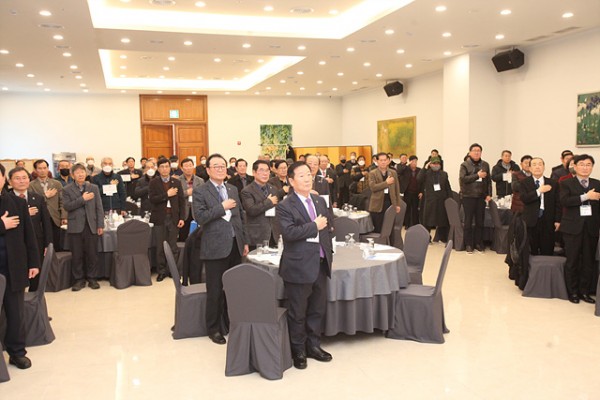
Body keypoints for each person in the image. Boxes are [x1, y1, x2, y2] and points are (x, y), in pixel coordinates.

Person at [276, 161, 334, 369]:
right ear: (291, 181)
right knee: (298, 312)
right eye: (301, 175)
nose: (307, 178)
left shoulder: (318, 201)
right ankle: (298, 350)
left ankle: (314, 345)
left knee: (317, 309)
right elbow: (289, 233)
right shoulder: (285, 205)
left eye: (309, 174)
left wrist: (328, 252)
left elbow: (328, 227)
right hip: (298, 266)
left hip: (320, 263)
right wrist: (313, 226)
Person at [193, 153, 248, 345]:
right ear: (208, 170)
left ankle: (230, 322)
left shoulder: (232, 188)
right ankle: (214, 328)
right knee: (215, 290)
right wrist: (222, 207)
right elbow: (200, 217)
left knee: (233, 288)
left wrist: (244, 241)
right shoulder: (200, 191)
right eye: (216, 166)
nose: (220, 169)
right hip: (215, 247)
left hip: (235, 244)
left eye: (223, 166)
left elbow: (240, 216)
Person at [0, 163, 40, 370]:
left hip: (13, 266)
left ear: (3, 179)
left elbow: (28, 235)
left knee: (15, 312)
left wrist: (33, 262)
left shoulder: (17, 202)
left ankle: (17, 352)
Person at [559, 154, 600, 304]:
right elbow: (564, 201)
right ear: (575, 167)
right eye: (581, 164)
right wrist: (586, 197)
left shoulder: (597, 183)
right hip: (572, 228)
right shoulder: (566, 183)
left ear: (592, 167)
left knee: (588, 262)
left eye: (588, 164)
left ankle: (585, 292)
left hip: (591, 228)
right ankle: (573, 292)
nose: (585, 167)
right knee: (572, 261)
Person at [8, 167, 52, 291]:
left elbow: (46, 222)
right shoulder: (6, 199)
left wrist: (48, 243)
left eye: (24, 178)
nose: (22, 181)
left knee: (35, 274)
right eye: (17, 178)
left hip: (36, 242)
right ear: (10, 181)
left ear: (29, 179)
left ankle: (34, 298)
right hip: (15, 244)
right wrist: (24, 213)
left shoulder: (37, 198)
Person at [62, 163, 104, 291]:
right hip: (75, 226)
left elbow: (99, 207)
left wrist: (100, 224)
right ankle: (79, 280)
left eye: (82, 172)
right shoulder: (67, 189)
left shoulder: (93, 187)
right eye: (77, 172)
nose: (80, 174)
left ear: (86, 174)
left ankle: (92, 278)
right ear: (72, 175)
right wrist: (82, 199)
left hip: (91, 225)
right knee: (77, 255)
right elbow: (67, 206)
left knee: (92, 254)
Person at [149, 158, 186, 282]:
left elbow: (181, 201)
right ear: (158, 169)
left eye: (166, 166)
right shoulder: (154, 182)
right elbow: (152, 199)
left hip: (173, 218)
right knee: (160, 246)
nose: (164, 169)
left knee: (173, 246)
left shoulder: (176, 182)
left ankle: (172, 271)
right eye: (162, 167)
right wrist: (167, 195)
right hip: (160, 218)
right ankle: (161, 271)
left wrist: (182, 218)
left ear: (170, 168)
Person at [519, 158, 560, 256]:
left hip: (548, 219)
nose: (537, 167)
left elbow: (558, 203)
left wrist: (558, 220)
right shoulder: (524, 182)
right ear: (530, 168)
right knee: (531, 250)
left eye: (540, 164)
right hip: (531, 220)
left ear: (544, 167)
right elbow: (524, 198)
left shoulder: (553, 183)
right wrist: (538, 191)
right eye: (534, 165)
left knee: (547, 248)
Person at [459, 143, 492, 254]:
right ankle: (468, 244)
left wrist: (489, 194)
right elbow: (463, 179)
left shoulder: (485, 164)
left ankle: (478, 243)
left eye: (479, 150)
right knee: (468, 221)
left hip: (481, 197)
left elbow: (488, 181)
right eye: (474, 150)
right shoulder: (464, 165)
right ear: (470, 152)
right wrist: (477, 175)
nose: (477, 152)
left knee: (480, 221)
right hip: (468, 196)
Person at [240, 160, 279, 248]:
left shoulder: (273, 189)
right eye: (261, 170)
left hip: (274, 234)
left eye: (267, 170)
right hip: (257, 235)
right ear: (254, 172)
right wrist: (269, 202)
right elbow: (251, 210)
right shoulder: (247, 191)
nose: (265, 173)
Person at [30, 159, 67, 251]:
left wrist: (64, 216)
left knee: (57, 244)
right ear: (35, 170)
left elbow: (62, 201)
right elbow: (32, 202)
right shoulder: (31, 185)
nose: (42, 170)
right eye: (40, 168)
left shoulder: (56, 184)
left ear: (48, 169)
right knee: (42, 244)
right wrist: (45, 196)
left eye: (44, 168)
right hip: (39, 219)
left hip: (55, 217)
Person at [417, 157, 452, 242]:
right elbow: (419, 179)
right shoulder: (426, 173)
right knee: (427, 220)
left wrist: (450, 199)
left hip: (441, 200)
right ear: (430, 164)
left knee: (442, 219)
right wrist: (424, 168)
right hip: (430, 200)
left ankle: (442, 237)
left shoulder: (444, 174)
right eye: (434, 163)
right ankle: (426, 237)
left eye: (437, 163)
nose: (436, 165)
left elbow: (447, 187)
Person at [368, 152, 402, 233]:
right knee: (378, 229)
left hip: (390, 203)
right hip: (377, 205)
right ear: (377, 161)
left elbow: (397, 189)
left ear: (388, 161)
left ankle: (389, 241)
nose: (383, 162)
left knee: (389, 228)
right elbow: (373, 187)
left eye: (385, 160)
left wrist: (398, 204)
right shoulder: (372, 173)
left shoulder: (393, 172)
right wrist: (386, 183)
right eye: (381, 160)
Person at [177, 158, 204, 242]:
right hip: (183, 212)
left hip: (196, 211)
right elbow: (175, 195)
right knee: (183, 236)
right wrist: (186, 193)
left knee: (196, 237)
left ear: (193, 166)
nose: (188, 168)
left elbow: (203, 195)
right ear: (182, 168)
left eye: (190, 165)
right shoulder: (177, 180)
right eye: (186, 166)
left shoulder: (200, 180)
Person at [399, 155, 421, 227]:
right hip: (407, 192)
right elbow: (399, 172)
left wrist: (421, 192)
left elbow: (422, 181)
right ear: (410, 162)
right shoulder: (405, 169)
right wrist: (406, 165)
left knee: (415, 209)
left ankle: (416, 225)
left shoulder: (419, 170)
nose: (414, 163)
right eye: (413, 161)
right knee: (407, 209)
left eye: (416, 161)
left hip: (416, 193)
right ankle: (407, 225)